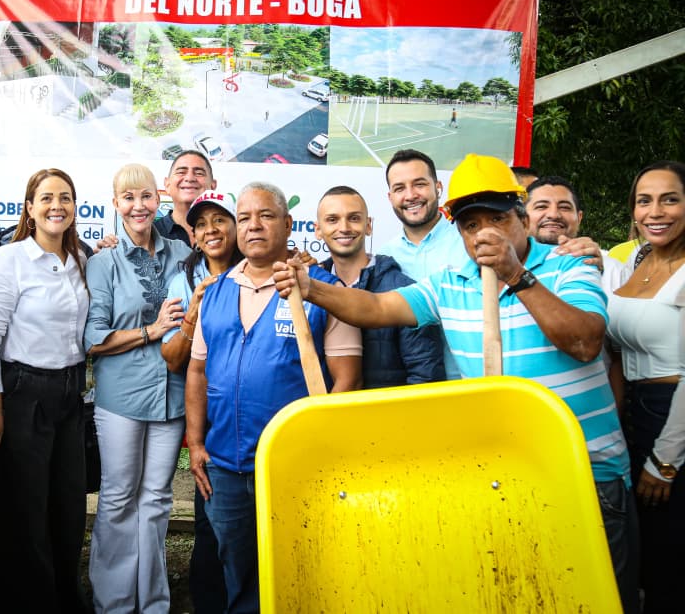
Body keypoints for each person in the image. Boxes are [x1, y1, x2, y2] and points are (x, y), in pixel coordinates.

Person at [273, 154, 638, 613]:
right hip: (502, 477)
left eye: (498, 219)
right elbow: (376, 308)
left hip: (587, 474)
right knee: (522, 596)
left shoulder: (569, 267)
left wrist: (515, 275)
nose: (484, 233)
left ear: (522, 218)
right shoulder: (450, 284)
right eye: (470, 225)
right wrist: (312, 288)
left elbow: (585, 341)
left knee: (599, 600)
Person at [186, 182, 362, 612]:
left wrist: (316, 448)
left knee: (302, 566)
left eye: (264, 216)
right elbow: (196, 370)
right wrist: (194, 442)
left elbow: (347, 380)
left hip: (293, 463)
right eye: (244, 217)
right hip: (226, 465)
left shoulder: (322, 289)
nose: (253, 226)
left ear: (287, 224)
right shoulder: (217, 291)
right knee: (239, 571)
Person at [0, 168, 90, 612]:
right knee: (24, 513)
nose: (58, 205)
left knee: (68, 508)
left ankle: (60, 596)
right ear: (30, 208)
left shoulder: (81, 260)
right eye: (47, 197)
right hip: (21, 397)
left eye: (66, 197)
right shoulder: (10, 259)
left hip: (70, 398)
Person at [84, 163, 191, 613]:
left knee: (156, 501)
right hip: (122, 398)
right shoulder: (103, 261)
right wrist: (152, 330)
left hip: (171, 395)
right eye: (128, 198)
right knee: (118, 498)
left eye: (145, 196)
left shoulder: (182, 252)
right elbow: (94, 339)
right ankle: (113, 602)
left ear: (158, 199)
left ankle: (153, 604)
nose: (138, 206)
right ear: (115, 204)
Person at [606, 161, 685, 614]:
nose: (656, 211)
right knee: (647, 560)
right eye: (644, 200)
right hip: (634, 419)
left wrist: (667, 461)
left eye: (670, 198)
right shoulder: (636, 260)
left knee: (671, 562)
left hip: (672, 422)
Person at [160, 189, 243, 614]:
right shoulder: (184, 280)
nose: (212, 230)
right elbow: (174, 359)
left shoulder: (258, 269)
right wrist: (195, 310)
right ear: (192, 236)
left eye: (221, 220)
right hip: (207, 417)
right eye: (202, 224)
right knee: (212, 521)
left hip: (252, 412)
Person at [315, 185, 445, 388]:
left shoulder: (403, 289)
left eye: (354, 218)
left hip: (389, 418)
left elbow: (425, 378)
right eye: (332, 220)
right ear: (318, 230)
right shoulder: (312, 287)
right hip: (325, 416)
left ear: (368, 226)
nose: (344, 227)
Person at [376, 148, 467, 378]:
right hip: (414, 390)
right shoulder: (384, 256)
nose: (410, 195)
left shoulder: (470, 243)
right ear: (390, 197)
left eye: (419, 184)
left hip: (470, 386)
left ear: (438, 187)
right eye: (399, 188)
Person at [525, 175, 623, 292]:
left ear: (579, 217)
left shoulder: (613, 270)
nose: (553, 214)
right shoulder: (504, 266)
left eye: (564, 207)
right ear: (522, 217)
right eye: (541, 206)